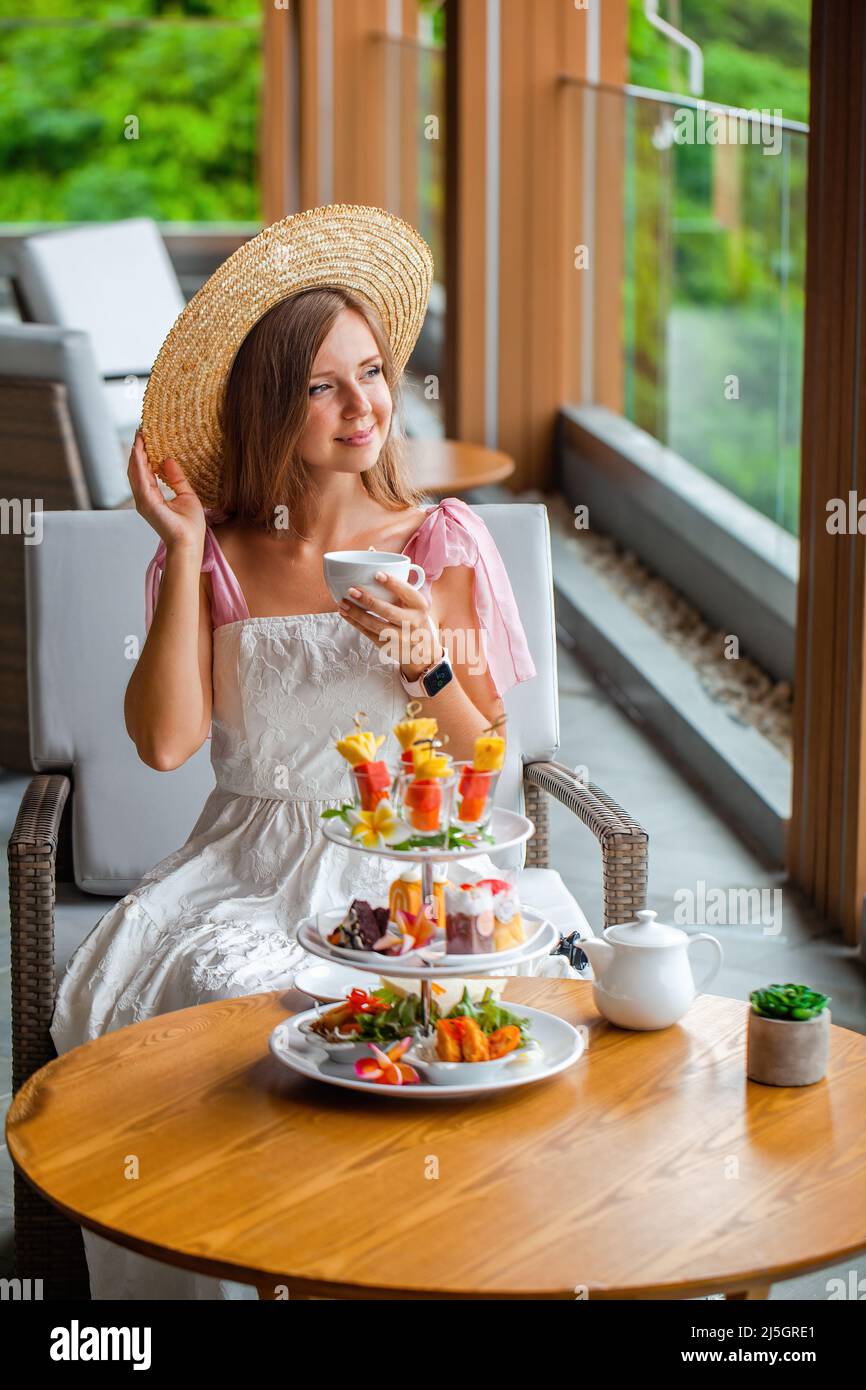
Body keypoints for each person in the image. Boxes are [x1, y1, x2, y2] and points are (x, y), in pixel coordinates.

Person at [49, 205, 576, 1300]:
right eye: (322, 386)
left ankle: (430, 1263)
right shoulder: (217, 557)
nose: (362, 406)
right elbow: (163, 744)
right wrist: (185, 547)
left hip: (415, 862)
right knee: (236, 1004)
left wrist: (429, 666)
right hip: (248, 866)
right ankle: (268, 1259)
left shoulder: (438, 542)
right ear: (267, 404)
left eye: (373, 373)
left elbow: (489, 768)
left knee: (469, 1013)